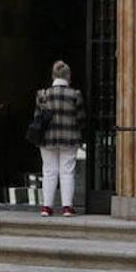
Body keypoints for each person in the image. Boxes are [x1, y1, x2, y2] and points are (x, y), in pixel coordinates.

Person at [32, 60, 85, 217]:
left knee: (49, 171)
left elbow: (37, 118)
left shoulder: (43, 95)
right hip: (69, 138)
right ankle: (67, 207)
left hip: (47, 139)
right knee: (67, 171)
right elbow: (81, 118)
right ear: (68, 76)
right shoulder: (75, 95)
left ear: (53, 76)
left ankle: (46, 207)